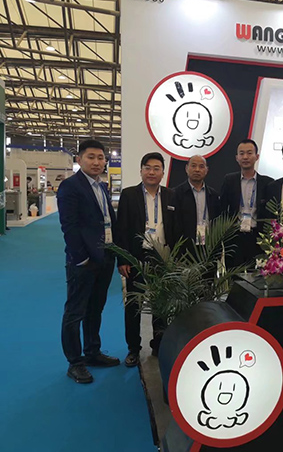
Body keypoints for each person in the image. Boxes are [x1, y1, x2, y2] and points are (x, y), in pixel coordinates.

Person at [57, 139, 120, 384]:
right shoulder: (70, 186)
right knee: (75, 312)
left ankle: (93, 352)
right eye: (91, 157)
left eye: (100, 157)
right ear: (79, 159)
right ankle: (75, 362)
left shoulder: (101, 186)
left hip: (104, 257)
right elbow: (69, 226)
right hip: (83, 262)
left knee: (95, 309)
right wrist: (81, 258)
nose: (96, 162)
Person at [115, 152, 177, 365]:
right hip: (136, 256)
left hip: (162, 257)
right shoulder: (129, 194)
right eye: (148, 168)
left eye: (156, 168)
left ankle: (158, 345)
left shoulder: (171, 195)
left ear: (163, 172)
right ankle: (133, 349)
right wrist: (122, 259)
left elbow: (175, 228)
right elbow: (121, 228)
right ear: (141, 170)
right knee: (135, 305)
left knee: (161, 304)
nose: (152, 172)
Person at [219, 139, 273, 268]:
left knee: (257, 274)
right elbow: (222, 209)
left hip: (258, 237)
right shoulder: (229, 180)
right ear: (237, 158)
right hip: (235, 237)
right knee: (233, 274)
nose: (245, 157)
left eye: (249, 153)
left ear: (257, 157)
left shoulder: (267, 183)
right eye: (241, 153)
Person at [173, 155, 221, 253]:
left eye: (201, 166)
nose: (197, 170)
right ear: (186, 168)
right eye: (193, 166)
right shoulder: (176, 193)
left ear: (206, 170)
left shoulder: (213, 195)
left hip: (208, 248)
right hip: (184, 248)